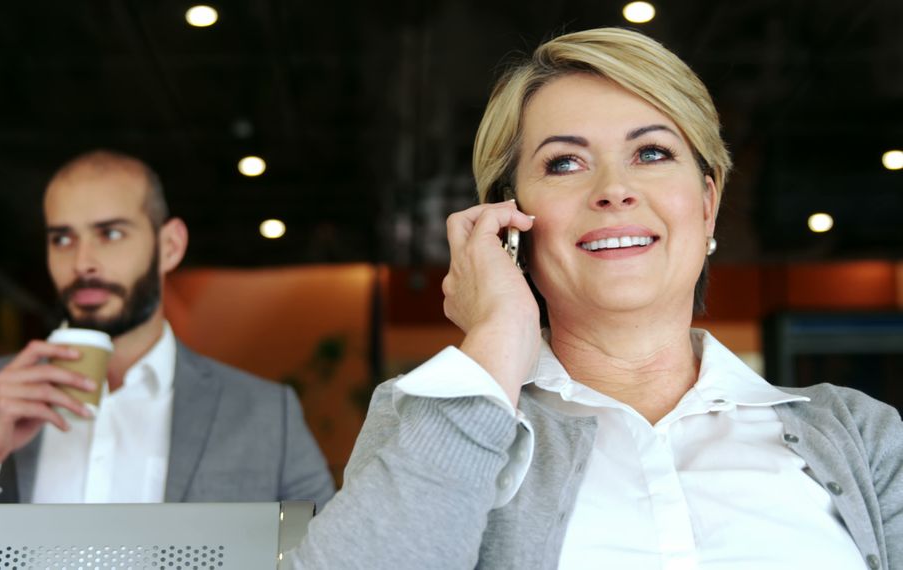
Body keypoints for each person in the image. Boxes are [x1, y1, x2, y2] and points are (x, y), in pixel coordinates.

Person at [285, 28, 901, 569]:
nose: (614, 189)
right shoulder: (439, 416)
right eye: (564, 163)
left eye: (652, 153)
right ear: (510, 220)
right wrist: (498, 335)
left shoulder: (858, 433)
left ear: (707, 204)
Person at [0, 150, 335, 508]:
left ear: (169, 246)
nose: (82, 263)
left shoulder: (263, 414)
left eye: (110, 234)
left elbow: (336, 555)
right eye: (62, 238)